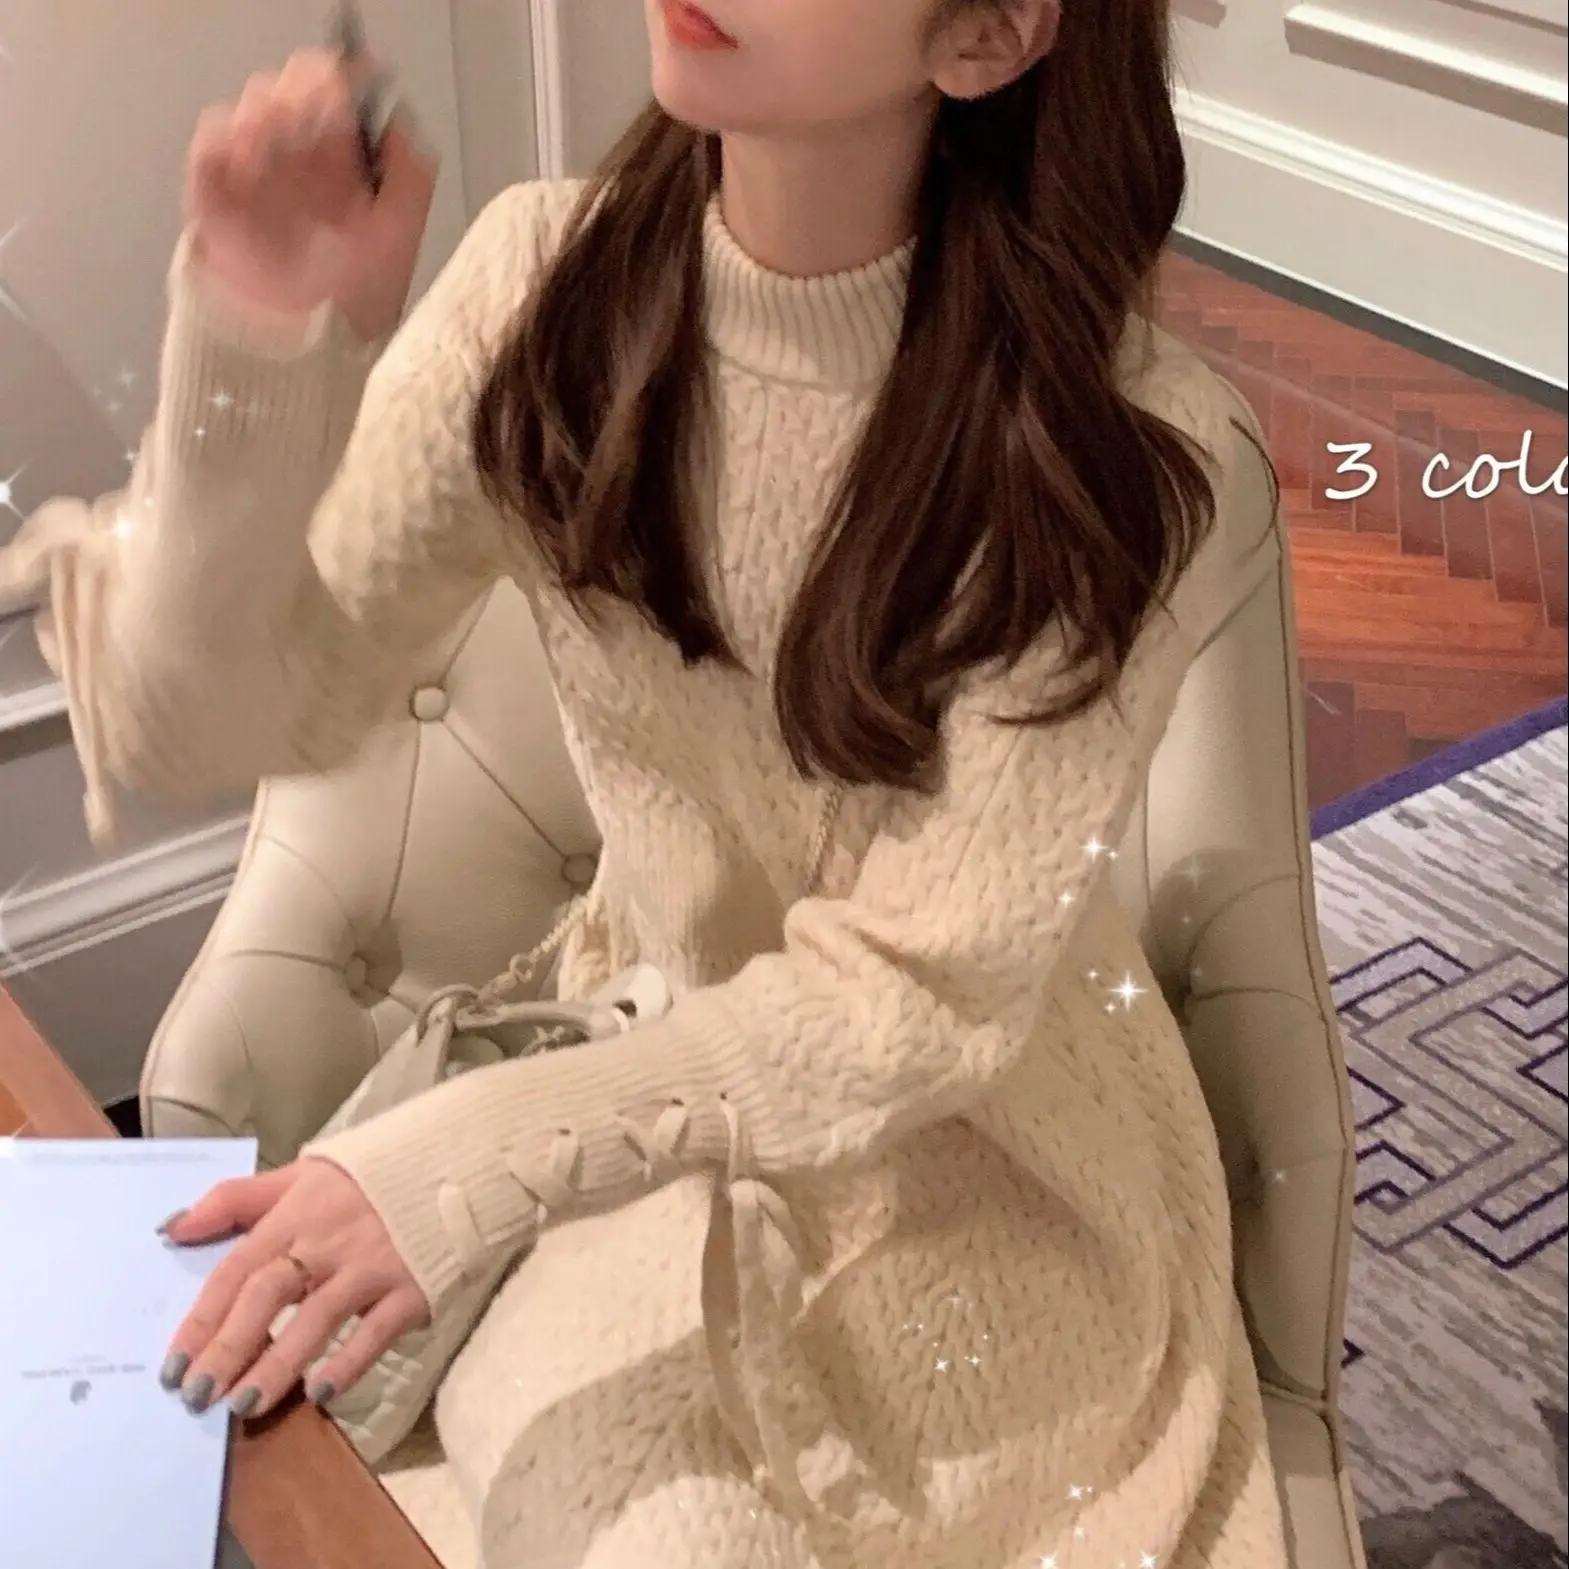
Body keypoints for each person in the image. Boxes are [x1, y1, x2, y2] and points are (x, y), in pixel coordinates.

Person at [2, 1, 1289, 1565]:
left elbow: (915, 1000)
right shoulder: (546, 288)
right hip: (653, 1135)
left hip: (993, 1191)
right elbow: (214, 720)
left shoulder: (1116, 446)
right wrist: (258, 349)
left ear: (992, 34)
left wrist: (461, 1164)